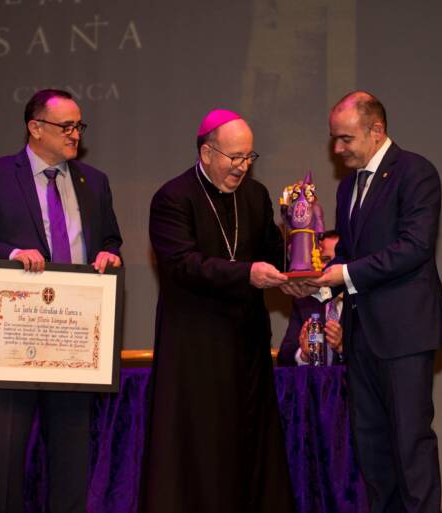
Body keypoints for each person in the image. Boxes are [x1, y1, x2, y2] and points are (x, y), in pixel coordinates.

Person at [0, 89, 123, 513]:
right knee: (5, 467)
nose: (75, 133)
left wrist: (109, 254)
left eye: (80, 125)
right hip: (13, 344)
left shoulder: (94, 182)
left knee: (71, 467)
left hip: (74, 343)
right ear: (35, 127)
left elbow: (111, 239)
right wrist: (9, 254)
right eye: (67, 126)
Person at [140, 109, 295, 513]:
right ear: (207, 152)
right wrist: (247, 273)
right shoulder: (173, 198)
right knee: (202, 449)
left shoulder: (256, 196)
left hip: (247, 345)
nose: (243, 167)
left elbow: (271, 256)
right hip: (197, 347)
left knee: (250, 443)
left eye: (249, 157)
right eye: (234, 157)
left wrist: (296, 259)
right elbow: (182, 265)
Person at [311, 91, 442, 513]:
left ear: (376, 131)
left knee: (410, 445)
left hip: (405, 334)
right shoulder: (347, 187)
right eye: (334, 140)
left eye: (345, 139)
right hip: (361, 339)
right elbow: (348, 255)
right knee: (372, 451)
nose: (337, 149)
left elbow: (414, 248)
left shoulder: (415, 173)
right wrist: (317, 283)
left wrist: (346, 274)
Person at [276, 230, 344, 366]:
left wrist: (342, 348)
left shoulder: (361, 300)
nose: (328, 267)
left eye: (335, 261)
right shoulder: (305, 301)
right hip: (315, 384)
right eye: (322, 260)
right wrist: (304, 354)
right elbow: (284, 356)